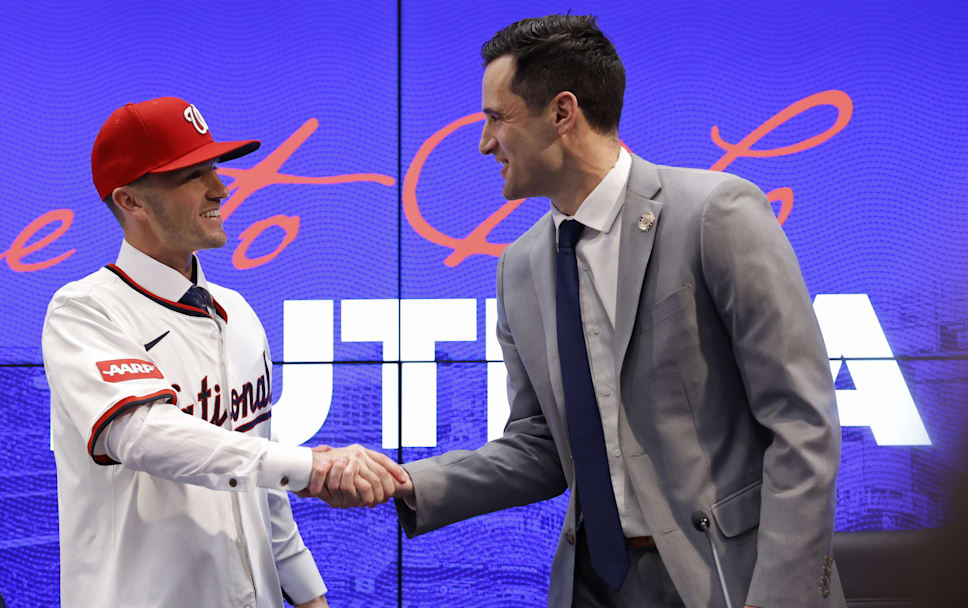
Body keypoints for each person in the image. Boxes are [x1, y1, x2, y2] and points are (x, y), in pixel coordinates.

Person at [392, 16, 845, 608]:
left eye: (496, 118)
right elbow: (541, 445)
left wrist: (778, 598)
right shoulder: (519, 267)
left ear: (562, 112)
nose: (483, 142)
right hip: (592, 588)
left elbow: (803, 422)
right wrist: (408, 483)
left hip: (727, 582)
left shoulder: (716, 212)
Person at [42, 96, 407, 607]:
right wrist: (310, 467)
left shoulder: (236, 310)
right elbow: (142, 433)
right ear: (131, 201)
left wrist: (308, 595)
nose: (221, 186)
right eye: (193, 174)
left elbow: (261, 487)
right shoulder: (84, 310)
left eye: (214, 166)